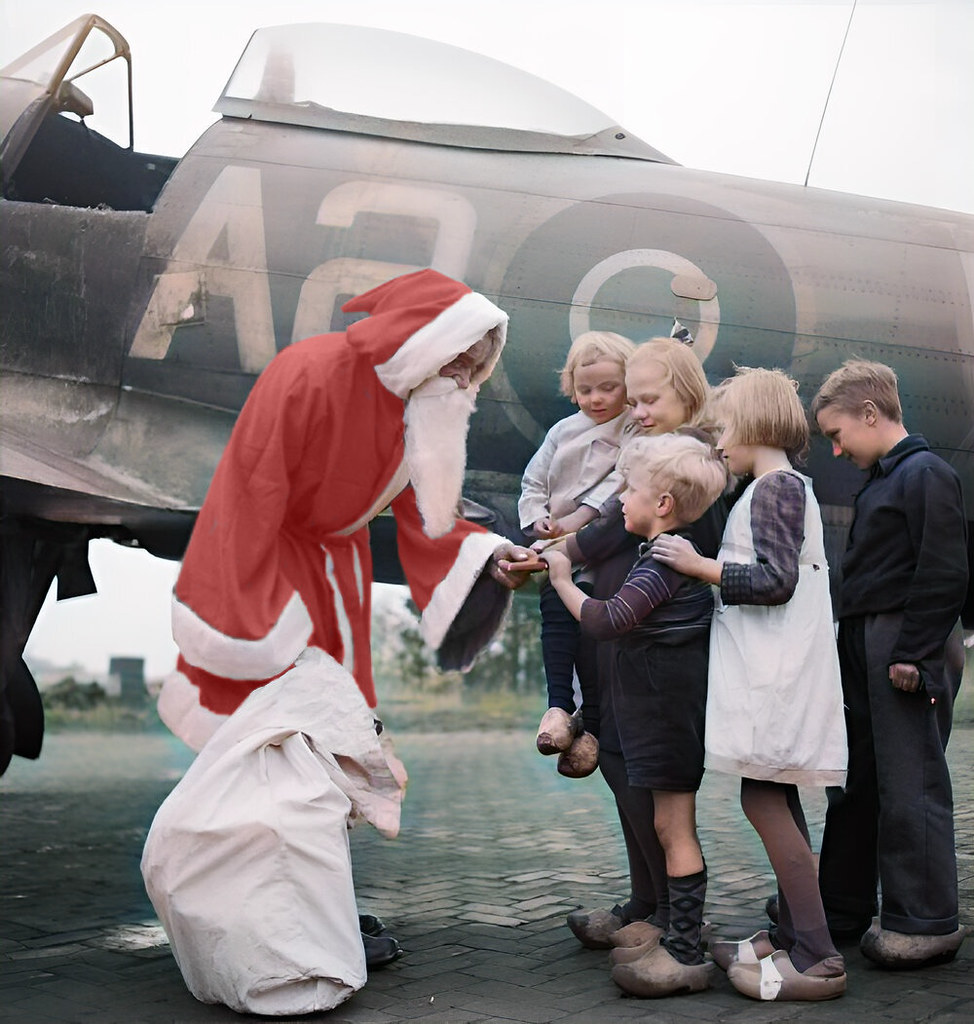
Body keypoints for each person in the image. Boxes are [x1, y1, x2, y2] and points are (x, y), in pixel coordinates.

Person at [157, 268, 533, 966]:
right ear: (420, 339)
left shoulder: (419, 404)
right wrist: (256, 616)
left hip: (339, 581)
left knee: (337, 747)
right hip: (269, 578)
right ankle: (268, 915)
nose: (463, 375)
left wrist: (490, 558)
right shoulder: (308, 371)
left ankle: (320, 907)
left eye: (476, 363)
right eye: (458, 355)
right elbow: (252, 484)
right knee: (273, 746)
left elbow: (428, 516)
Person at [654, 367, 849, 1002]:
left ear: (753, 424)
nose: (719, 445)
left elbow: (775, 581)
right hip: (774, 673)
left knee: (763, 801)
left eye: (723, 430)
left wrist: (696, 565)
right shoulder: (779, 487)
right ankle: (795, 935)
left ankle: (818, 957)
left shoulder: (774, 489)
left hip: (777, 677)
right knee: (777, 799)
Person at [556, 338, 730, 949]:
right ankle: (646, 901)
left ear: (688, 394)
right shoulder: (651, 457)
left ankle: (668, 917)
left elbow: (608, 533)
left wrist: (556, 561)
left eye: (649, 399)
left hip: (647, 649)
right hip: (621, 646)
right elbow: (603, 526)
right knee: (621, 767)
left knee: (645, 781)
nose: (638, 410)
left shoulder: (690, 472)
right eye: (634, 400)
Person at [811, 359, 969, 969]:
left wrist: (913, 653)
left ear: (871, 414)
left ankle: (924, 923)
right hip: (870, 637)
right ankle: (841, 906)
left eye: (838, 432)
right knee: (857, 785)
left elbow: (945, 569)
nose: (835, 446)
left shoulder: (926, 472)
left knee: (912, 784)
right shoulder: (886, 478)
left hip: (906, 641)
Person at [518, 331, 636, 767]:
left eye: (609, 387)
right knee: (555, 613)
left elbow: (619, 480)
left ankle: (594, 728)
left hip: (598, 540)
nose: (596, 398)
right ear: (571, 387)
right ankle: (558, 707)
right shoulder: (562, 431)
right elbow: (533, 480)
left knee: (589, 628)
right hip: (556, 538)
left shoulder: (632, 427)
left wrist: (578, 519)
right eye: (585, 389)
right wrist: (537, 519)